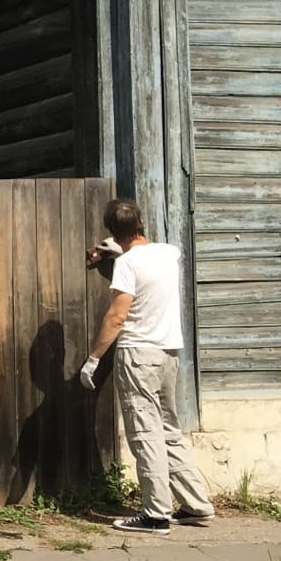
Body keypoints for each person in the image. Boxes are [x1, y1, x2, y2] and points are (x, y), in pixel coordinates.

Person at [79, 197, 214, 535]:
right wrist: (110, 249)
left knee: (145, 433)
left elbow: (117, 316)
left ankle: (155, 514)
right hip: (169, 353)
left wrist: (93, 359)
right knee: (168, 428)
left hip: (138, 354)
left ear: (112, 229)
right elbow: (134, 250)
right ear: (140, 223)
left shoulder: (128, 265)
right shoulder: (169, 253)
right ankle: (196, 504)